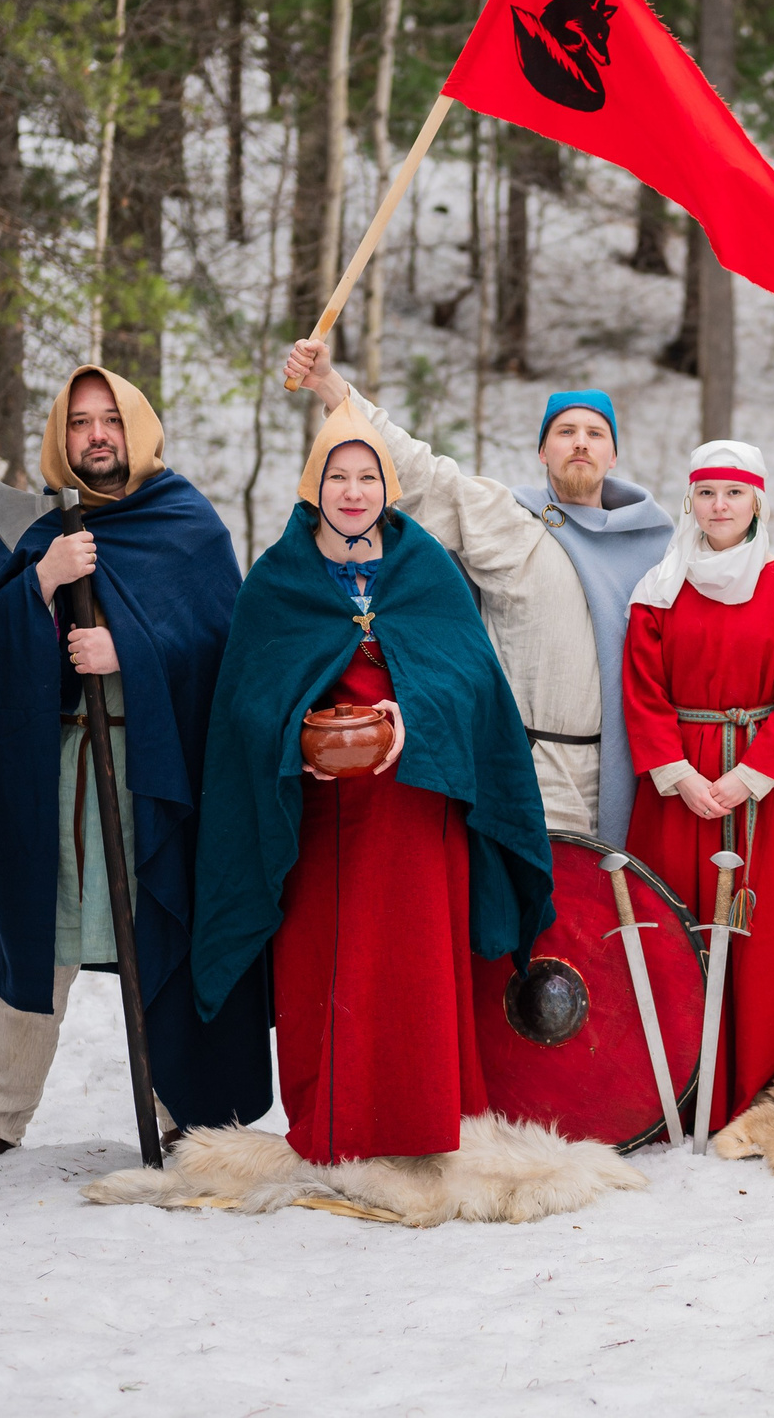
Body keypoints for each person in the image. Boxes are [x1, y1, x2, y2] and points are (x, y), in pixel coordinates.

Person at [190, 401, 554, 1164]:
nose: (352, 491)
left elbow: (473, 683)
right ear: (312, 484)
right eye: (337, 475)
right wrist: (297, 736)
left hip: (414, 809)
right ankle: (334, 1126)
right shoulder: (277, 580)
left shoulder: (424, 568)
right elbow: (245, 701)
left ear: (387, 485)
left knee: (414, 964)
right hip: (316, 816)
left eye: (367, 476)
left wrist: (407, 713)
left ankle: (427, 1122)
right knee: (327, 963)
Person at [0, 366, 272, 1168]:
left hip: (152, 771)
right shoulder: (32, 532)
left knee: (162, 928)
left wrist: (132, 651)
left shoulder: (187, 525)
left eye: (110, 419)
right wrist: (41, 590)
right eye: (80, 421)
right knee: (38, 929)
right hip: (57, 768)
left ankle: (181, 1111)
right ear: (62, 437)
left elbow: (228, 653)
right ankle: (0, 1110)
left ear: (137, 430)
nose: (96, 435)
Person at [282, 342, 670, 847]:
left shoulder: (651, 545)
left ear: (613, 453)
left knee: (611, 915)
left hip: (624, 769)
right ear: (542, 451)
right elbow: (421, 473)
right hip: (532, 763)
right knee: (540, 912)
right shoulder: (511, 523)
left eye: (595, 434)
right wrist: (333, 388)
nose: (580, 443)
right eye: (565, 432)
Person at [622, 442, 774, 1124]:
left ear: (758, 502)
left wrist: (748, 778)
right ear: (689, 501)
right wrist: (680, 774)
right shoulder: (659, 588)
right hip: (680, 791)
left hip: (762, 790)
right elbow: (642, 689)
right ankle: (682, 1085)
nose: (720, 507)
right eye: (707, 493)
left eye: (735, 493)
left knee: (765, 935)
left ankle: (758, 1079)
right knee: (678, 932)